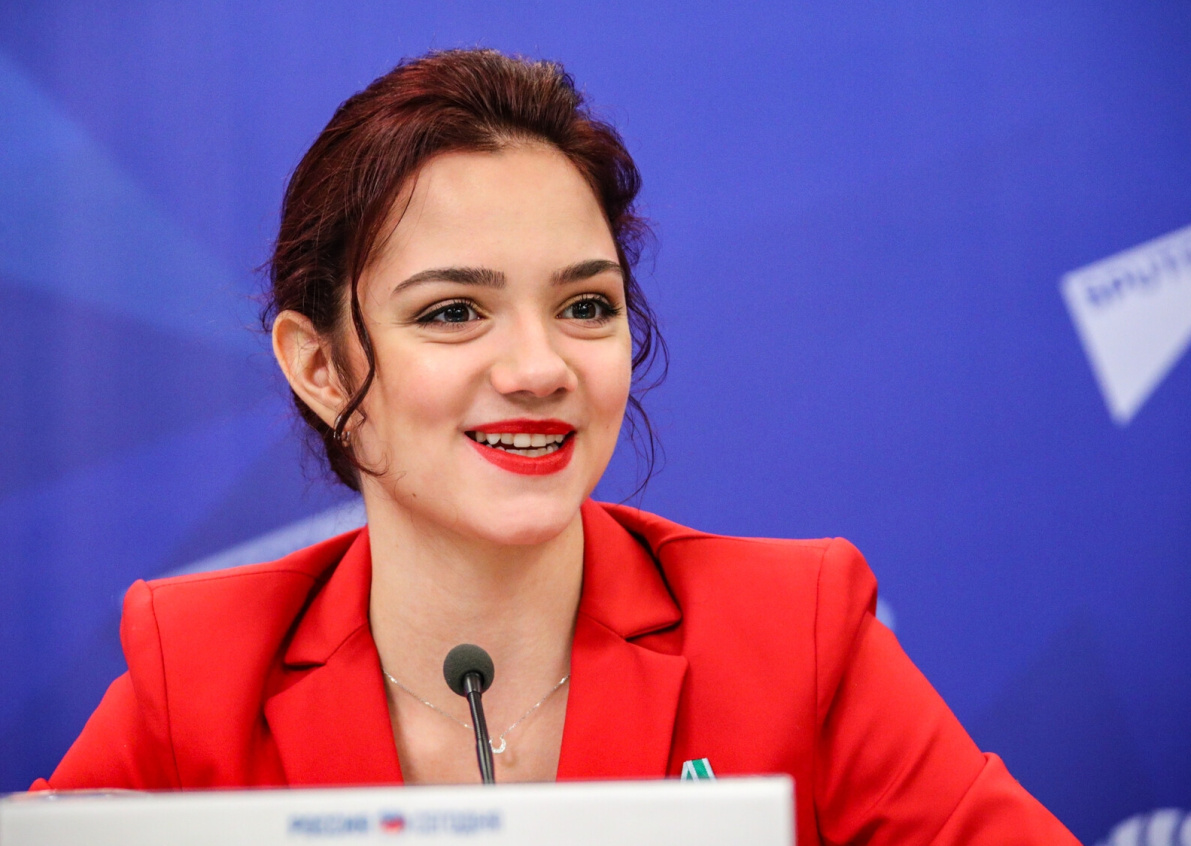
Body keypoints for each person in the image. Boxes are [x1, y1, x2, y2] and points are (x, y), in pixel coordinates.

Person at [35, 48, 1080, 843]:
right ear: (320, 367)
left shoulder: (793, 634)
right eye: (453, 312)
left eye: (586, 305)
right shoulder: (201, 672)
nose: (540, 368)